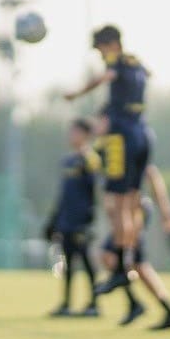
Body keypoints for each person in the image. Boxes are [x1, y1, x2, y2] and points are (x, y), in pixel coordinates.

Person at [63, 24, 151, 295]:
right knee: (131, 202)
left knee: (118, 205)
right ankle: (127, 261)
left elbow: (106, 76)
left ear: (111, 44)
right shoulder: (137, 64)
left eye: (101, 49)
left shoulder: (117, 61)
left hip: (121, 139)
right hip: (143, 134)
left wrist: (77, 93)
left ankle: (121, 268)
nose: (101, 55)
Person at [97, 164, 170, 330]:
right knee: (129, 263)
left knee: (124, 261)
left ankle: (141, 305)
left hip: (135, 214)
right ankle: (161, 310)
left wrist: (166, 211)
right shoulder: (105, 151)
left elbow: (152, 174)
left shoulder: (128, 144)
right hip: (124, 218)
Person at [44, 117, 101, 318]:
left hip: (81, 222)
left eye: (75, 132)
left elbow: (95, 193)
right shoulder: (67, 161)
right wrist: (54, 220)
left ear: (85, 135)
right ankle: (66, 303)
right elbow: (64, 195)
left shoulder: (90, 160)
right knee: (66, 262)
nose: (71, 136)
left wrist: (88, 221)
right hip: (66, 221)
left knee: (86, 262)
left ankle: (94, 303)